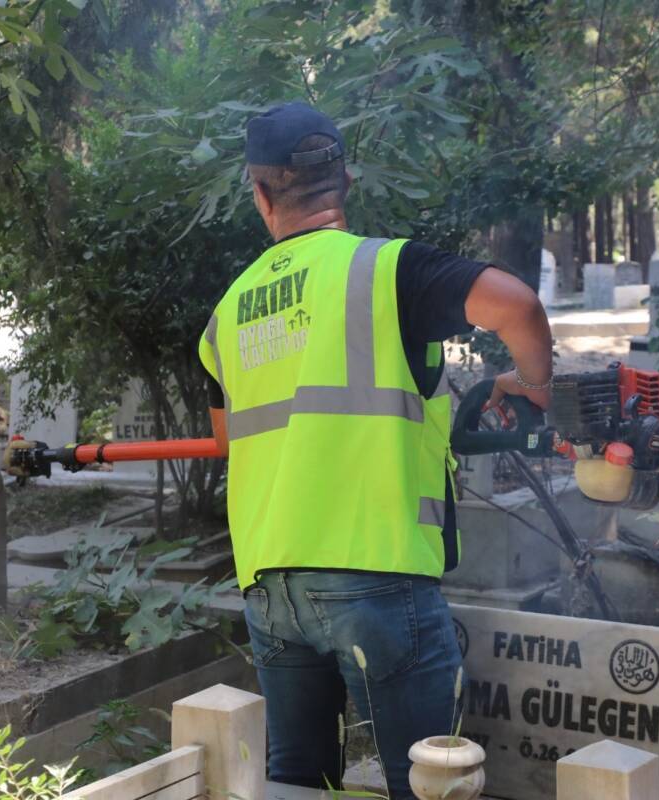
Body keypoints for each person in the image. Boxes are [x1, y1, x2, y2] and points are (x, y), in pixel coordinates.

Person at [197, 102, 552, 799]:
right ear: (346, 181)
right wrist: (535, 388)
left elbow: (226, 441)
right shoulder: (387, 270)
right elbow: (516, 306)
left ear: (261, 194)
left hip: (270, 584)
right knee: (428, 785)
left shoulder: (226, 314)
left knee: (297, 783)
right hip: (378, 572)